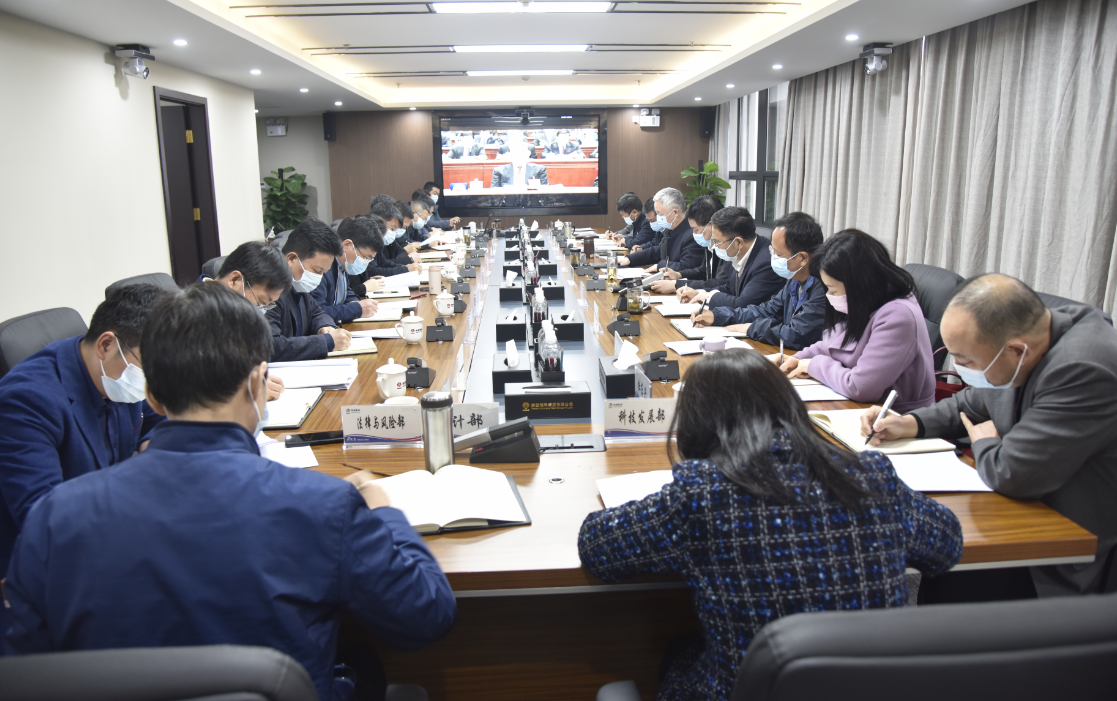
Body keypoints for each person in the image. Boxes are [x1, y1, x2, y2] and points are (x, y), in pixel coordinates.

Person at [4, 283, 458, 701]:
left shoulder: (54, 519)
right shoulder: (324, 506)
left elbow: (29, 671)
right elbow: (427, 615)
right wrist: (381, 512)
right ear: (258, 384)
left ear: (154, 400)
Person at [578, 349, 963, 701]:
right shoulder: (869, 475)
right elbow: (946, 547)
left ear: (695, 423)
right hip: (870, 689)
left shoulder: (702, 494)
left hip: (743, 689)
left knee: (680, 652)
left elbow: (596, 549)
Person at [863, 274, 1117, 597]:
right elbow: (971, 402)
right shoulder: (1027, 344)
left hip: (1061, 542)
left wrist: (984, 442)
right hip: (1017, 511)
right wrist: (910, 423)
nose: (958, 366)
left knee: (956, 571)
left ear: (1015, 352)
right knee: (945, 554)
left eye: (965, 361)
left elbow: (1011, 473)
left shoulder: (1083, 369)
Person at [0, 283, 176, 635]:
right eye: (151, 368)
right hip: (52, 574)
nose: (155, 382)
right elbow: (44, 516)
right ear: (106, 344)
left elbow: (161, 419)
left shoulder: (118, 370)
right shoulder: (26, 401)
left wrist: (150, 448)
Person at [779, 229, 934, 412]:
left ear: (858, 284)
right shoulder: (867, 300)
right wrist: (797, 359)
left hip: (895, 418)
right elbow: (833, 343)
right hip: (858, 408)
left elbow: (860, 387)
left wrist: (814, 365)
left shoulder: (898, 316)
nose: (829, 296)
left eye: (833, 290)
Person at [692, 211, 827, 350]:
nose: (772, 257)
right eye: (772, 251)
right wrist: (717, 316)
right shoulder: (794, 280)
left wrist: (752, 328)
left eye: (778, 254)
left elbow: (797, 334)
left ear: (803, 258)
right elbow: (767, 310)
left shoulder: (822, 287)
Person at [202, 241, 294, 399]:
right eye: (262, 302)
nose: (261, 311)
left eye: (268, 305)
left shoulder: (233, 313)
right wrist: (243, 392)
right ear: (235, 280)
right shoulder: (186, 317)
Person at [268, 217, 352, 361]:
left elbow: (317, 312)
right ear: (291, 259)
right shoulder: (269, 289)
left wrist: (324, 327)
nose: (319, 278)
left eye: (323, 272)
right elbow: (272, 346)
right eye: (317, 270)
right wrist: (326, 342)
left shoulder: (297, 284)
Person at [677, 206, 783, 310]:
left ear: (738, 242)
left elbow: (743, 304)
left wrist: (710, 297)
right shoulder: (739, 252)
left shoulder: (766, 263)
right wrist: (700, 292)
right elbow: (728, 288)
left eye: (718, 242)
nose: (714, 246)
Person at [311, 216, 382, 325]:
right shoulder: (321, 268)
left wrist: (354, 301)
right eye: (365, 257)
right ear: (347, 245)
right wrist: (355, 309)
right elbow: (317, 312)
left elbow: (346, 291)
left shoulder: (342, 264)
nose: (366, 262)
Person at [650, 195, 726, 294]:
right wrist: (678, 275)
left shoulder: (727, 247)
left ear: (711, 225)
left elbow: (719, 283)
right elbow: (703, 272)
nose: (694, 234)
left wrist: (677, 285)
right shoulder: (711, 243)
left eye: (696, 230)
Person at [618, 187, 701, 273]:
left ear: (675, 212)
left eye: (660, 214)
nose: (658, 218)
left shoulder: (693, 234)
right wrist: (630, 258)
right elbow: (657, 252)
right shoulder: (670, 230)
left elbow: (686, 267)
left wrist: (660, 265)